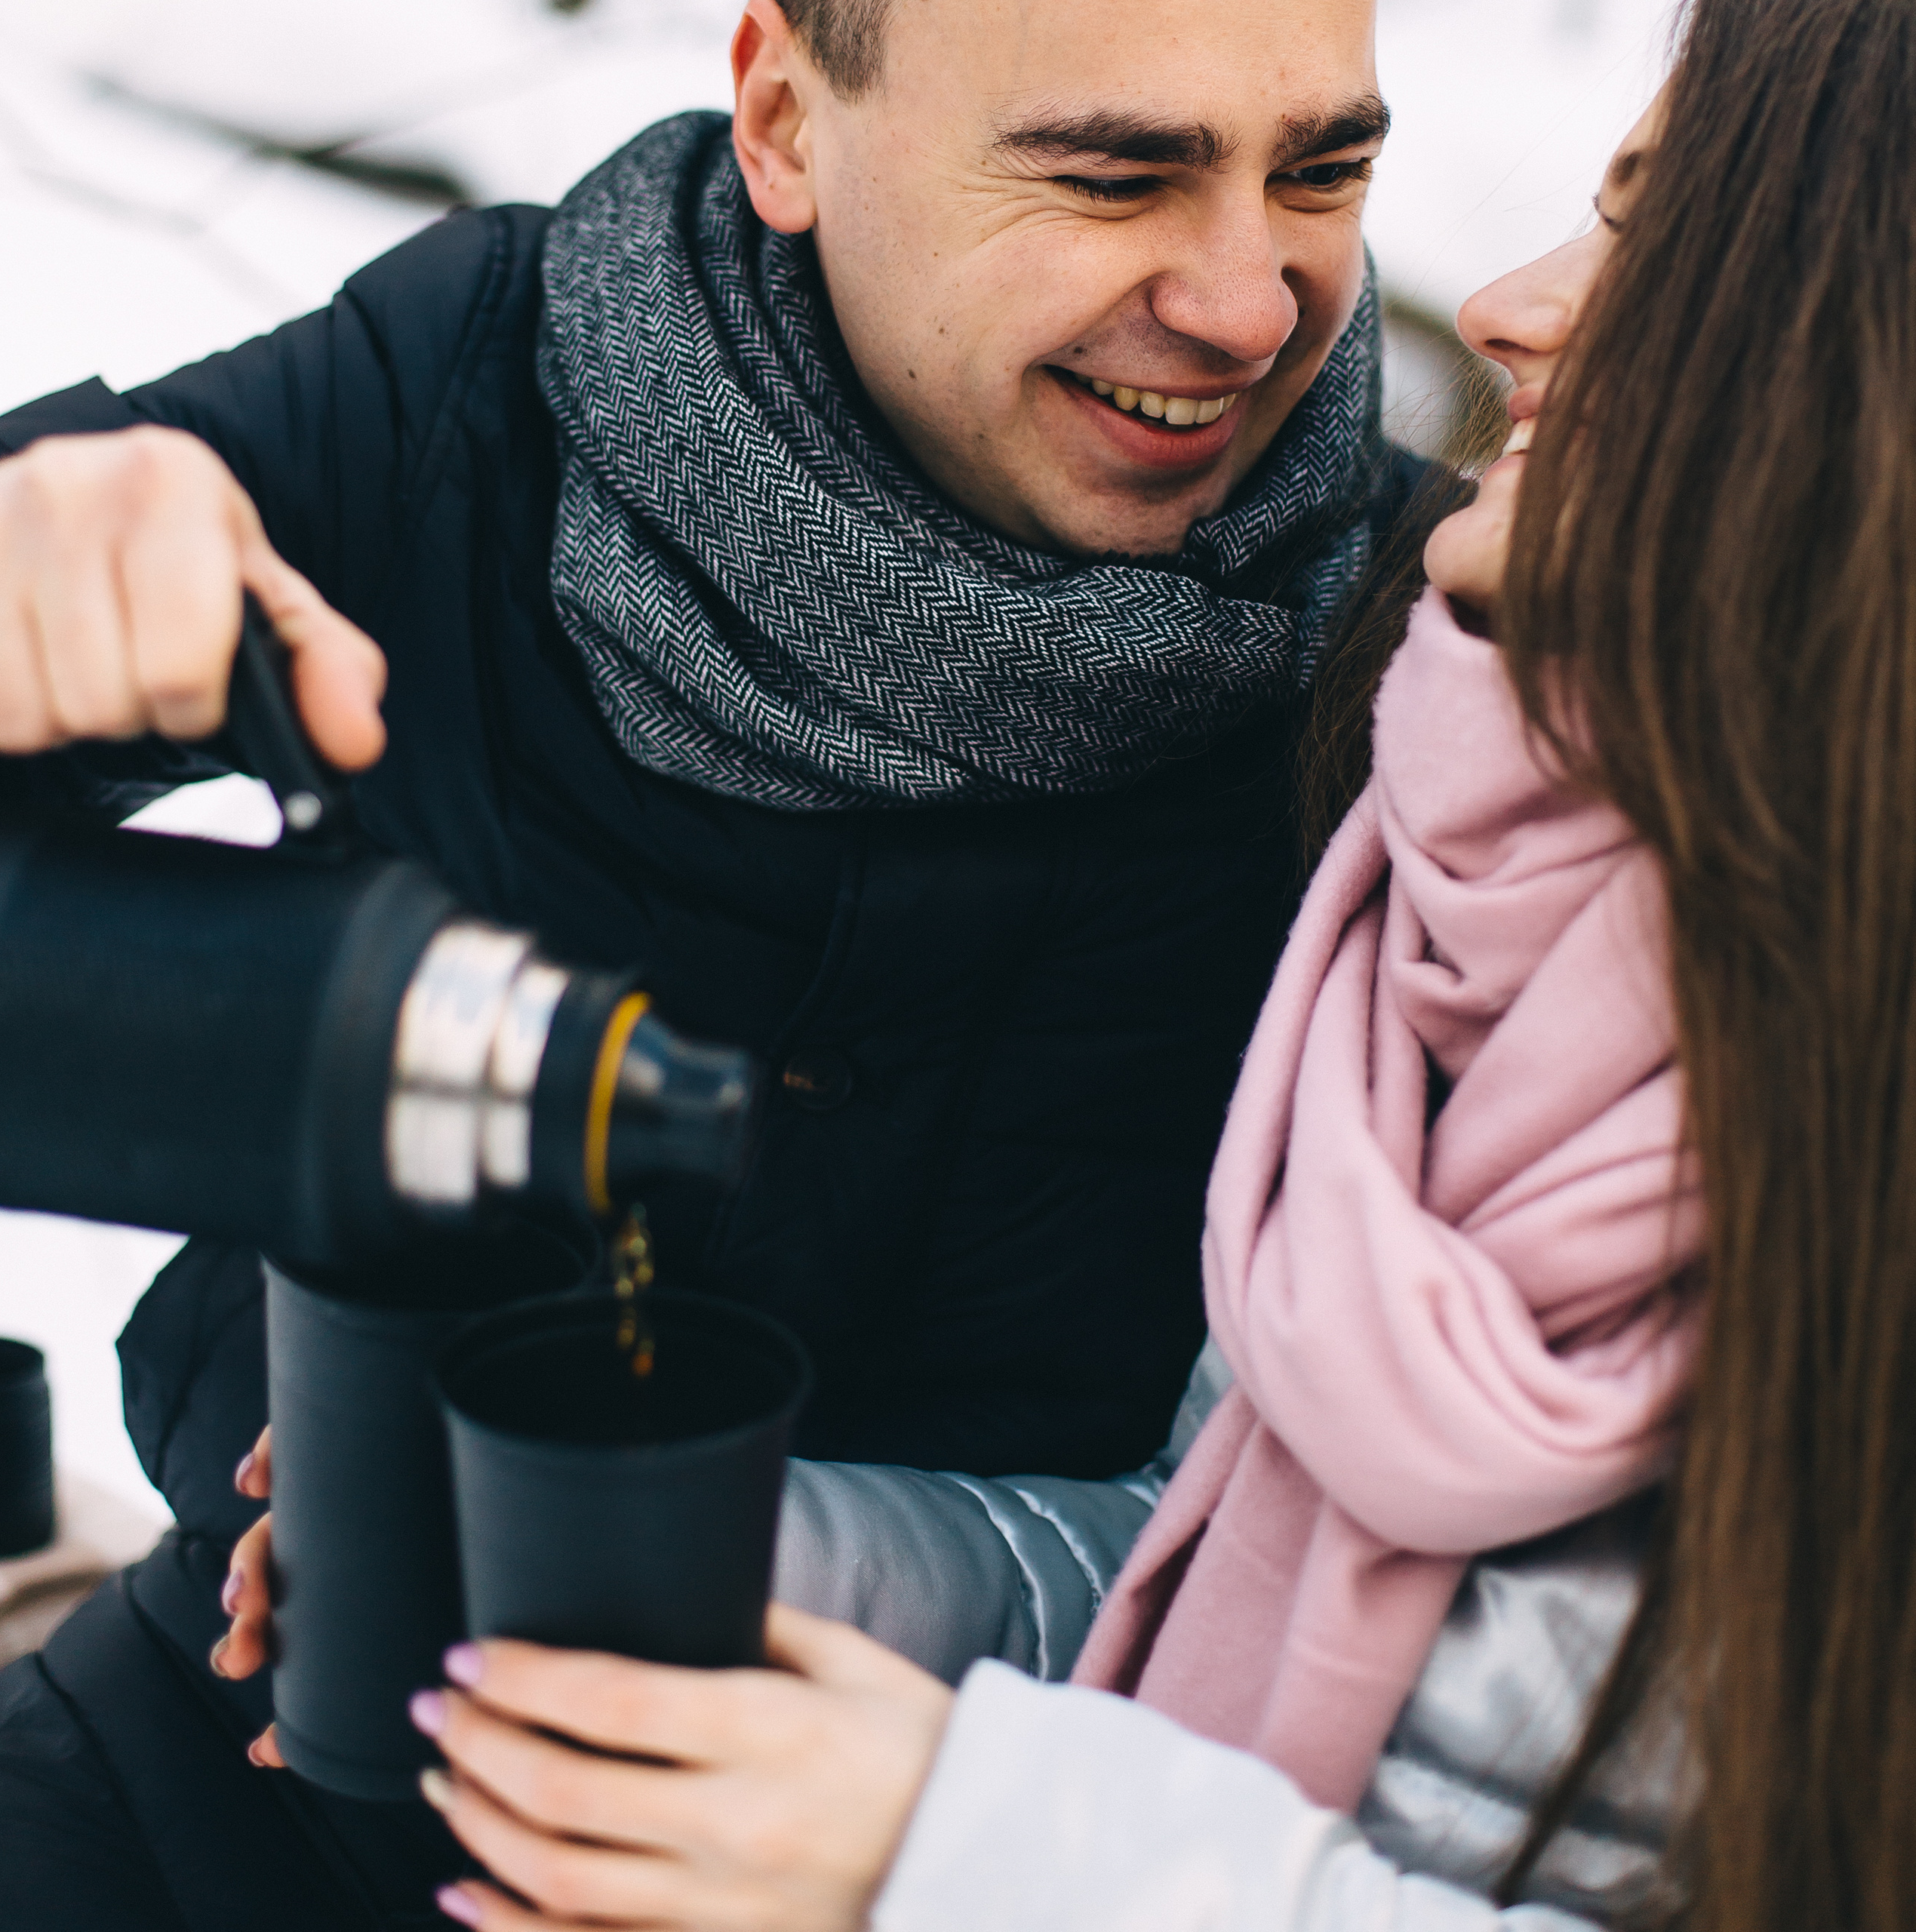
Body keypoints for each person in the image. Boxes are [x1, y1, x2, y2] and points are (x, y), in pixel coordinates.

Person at [363, 2, 1916, 1927]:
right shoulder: (1467, 875)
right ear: (779, 117)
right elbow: (1196, 1574)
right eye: (1112, 172)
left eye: (1671, 245)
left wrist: (969, 1851)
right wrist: (743, 1553)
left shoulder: (1361, 686)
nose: (1508, 307)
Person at [0, 0, 1425, 1922]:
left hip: (944, 1854)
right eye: (1112, 175)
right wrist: (38, 544)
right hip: (235, 1744)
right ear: (782, 119)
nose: (1250, 303)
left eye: (1320, 170)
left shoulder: (1423, 662)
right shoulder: (473, 385)